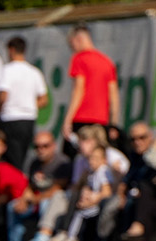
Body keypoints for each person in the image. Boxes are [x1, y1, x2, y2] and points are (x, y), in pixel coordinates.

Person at [52, 127, 118, 241]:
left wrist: (91, 201)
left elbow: (106, 192)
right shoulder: (91, 172)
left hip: (98, 204)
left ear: (104, 160)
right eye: (90, 159)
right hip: (91, 202)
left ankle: (71, 238)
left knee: (80, 214)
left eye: (95, 159)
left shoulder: (103, 171)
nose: (91, 162)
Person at [9, 133, 72, 241]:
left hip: (57, 202)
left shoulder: (62, 162)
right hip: (36, 200)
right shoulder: (34, 163)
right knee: (12, 207)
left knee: (46, 204)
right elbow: (31, 186)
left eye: (45, 146)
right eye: (37, 147)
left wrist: (34, 199)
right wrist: (23, 200)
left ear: (53, 146)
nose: (41, 150)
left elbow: (57, 189)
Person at [62, 25, 118, 153]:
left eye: (72, 45)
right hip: (101, 122)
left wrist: (68, 119)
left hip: (81, 119)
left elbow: (78, 90)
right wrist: (113, 124)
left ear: (78, 40)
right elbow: (114, 96)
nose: (72, 49)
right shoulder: (107, 62)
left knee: (75, 157)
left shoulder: (79, 59)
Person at [0, 37, 48, 168]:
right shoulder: (34, 72)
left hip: (10, 120)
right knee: (22, 156)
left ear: (11, 50)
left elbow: (3, 96)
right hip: (28, 121)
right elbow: (43, 100)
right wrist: (28, 105)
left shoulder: (7, 70)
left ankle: (16, 186)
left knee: (12, 160)